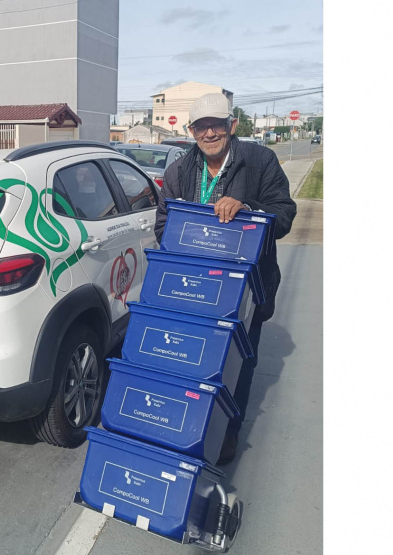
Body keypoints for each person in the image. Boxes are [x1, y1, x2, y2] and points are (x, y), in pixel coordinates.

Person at [153, 93, 297, 465]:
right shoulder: (179, 172)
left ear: (233, 126)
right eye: (202, 126)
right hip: (194, 289)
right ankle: (186, 426)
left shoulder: (260, 160)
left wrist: (250, 213)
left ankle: (227, 435)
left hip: (245, 291)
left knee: (236, 364)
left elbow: (284, 214)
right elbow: (163, 226)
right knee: (190, 361)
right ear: (192, 131)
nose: (210, 132)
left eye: (218, 124)